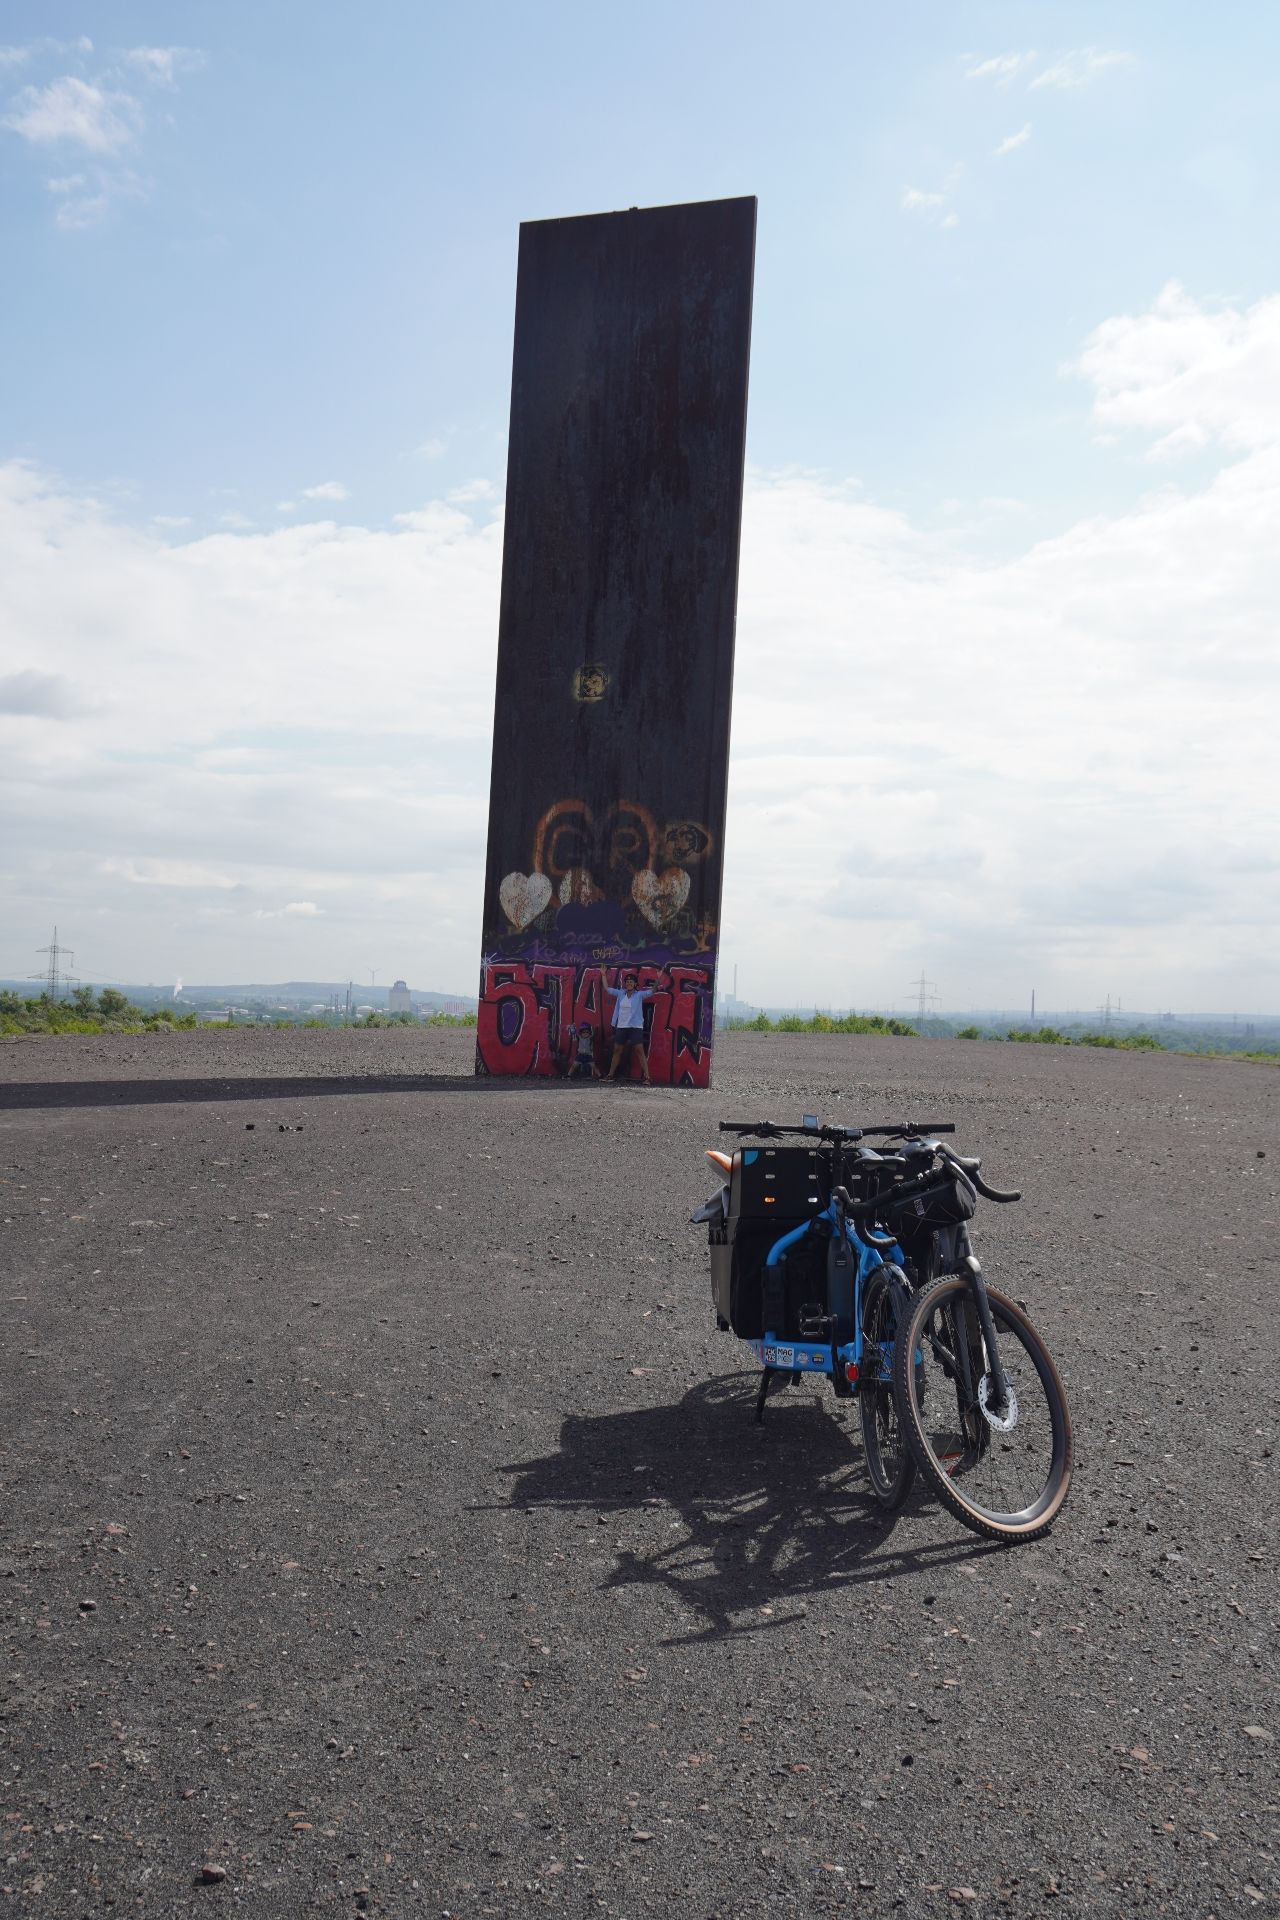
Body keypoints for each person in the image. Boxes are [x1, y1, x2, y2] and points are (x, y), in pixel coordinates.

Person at [604, 970, 664, 1084]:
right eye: (627, 981)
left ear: (635, 984)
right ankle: (610, 1075)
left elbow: (653, 991)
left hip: (635, 1026)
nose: (629, 983)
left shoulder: (639, 994)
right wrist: (603, 974)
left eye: (631, 981)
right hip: (621, 1026)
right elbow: (607, 989)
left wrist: (658, 978)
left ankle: (647, 1077)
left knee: (639, 1050)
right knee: (617, 1050)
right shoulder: (621, 993)